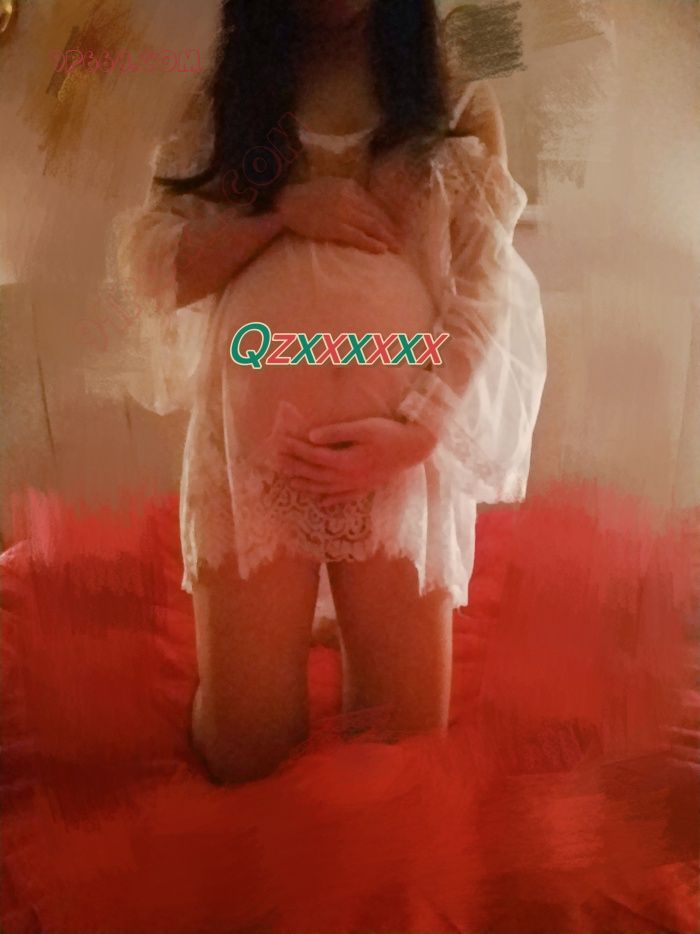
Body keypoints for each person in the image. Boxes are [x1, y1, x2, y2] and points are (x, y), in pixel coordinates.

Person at [112, 0, 547, 785]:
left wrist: (419, 431)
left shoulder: (450, 102)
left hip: (398, 458)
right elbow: (157, 265)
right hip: (256, 462)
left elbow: (482, 289)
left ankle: (331, 623)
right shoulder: (234, 106)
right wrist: (280, 213)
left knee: (402, 753)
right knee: (243, 752)